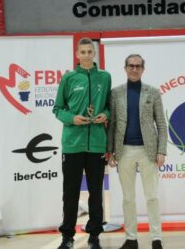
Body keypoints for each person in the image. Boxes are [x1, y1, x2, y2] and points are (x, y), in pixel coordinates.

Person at [53, 37, 111, 249]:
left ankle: (94, 235)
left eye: (90, 51)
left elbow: (108, 106)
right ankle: (67, 236)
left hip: (96, 144)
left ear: (94, 53)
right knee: (71, 193)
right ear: (77, 55)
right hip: (73, 144)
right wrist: (72, 119)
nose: (86, 55)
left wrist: (105, 114)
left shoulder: (105, 77)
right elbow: (57, 109)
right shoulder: (69, 78)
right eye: (83, 52)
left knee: (96, 192)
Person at [107, 54, 167, 249]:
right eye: (131, 66)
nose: (134, 69)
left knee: (152, 196)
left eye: (138, 66)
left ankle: (156, 238)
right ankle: (131, 239)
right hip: (123, 151)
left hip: (148, 151)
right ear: (125, 68)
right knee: (128, 198)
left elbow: (161, 124)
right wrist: (110, 151)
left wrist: (162, 150)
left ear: (143, 69)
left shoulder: (153, 92)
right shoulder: (115, 93)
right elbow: (112, 124)